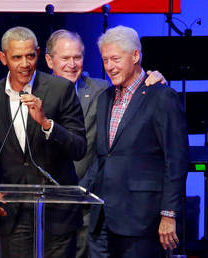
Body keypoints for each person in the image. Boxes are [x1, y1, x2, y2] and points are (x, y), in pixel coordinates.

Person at [44, 29, 167, 258]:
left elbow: (136, 86)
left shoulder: (103, 91)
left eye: (77, 57)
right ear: (50, 60)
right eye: (65, 58)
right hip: (47, 204)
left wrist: (156, 77)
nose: (72, 64)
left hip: (89, 201)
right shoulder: (34, 93)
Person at [81, 25, 188, 257]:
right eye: (105, 60)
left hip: (142, 220)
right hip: (103, 220)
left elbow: (176, 160)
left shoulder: (161, 96)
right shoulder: (105, 98)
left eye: (116, 59)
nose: (109, 66)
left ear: (136, 55)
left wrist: (169, 214)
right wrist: (77, 192)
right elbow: (104, 156)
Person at [0, 26, 86, 258]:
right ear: (3, 58)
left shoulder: (61, 89)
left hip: (58, 211)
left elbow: (79, 148)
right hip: (14, 211)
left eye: (30, 55)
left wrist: (47, 123)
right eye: (17, 57)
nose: (25, 63)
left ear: (38, 53)